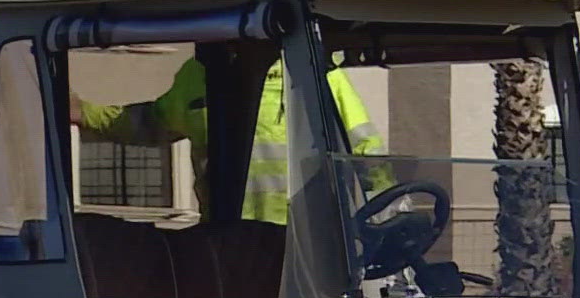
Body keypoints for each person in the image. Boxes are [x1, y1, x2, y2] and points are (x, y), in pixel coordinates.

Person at [71, 55, 386, 224]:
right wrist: (84, 113)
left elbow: (366, 155)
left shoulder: (319, 74)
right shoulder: (196, 75)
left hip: (304, 248)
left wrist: (393, 222)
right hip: (225, 243)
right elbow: (150, 124)